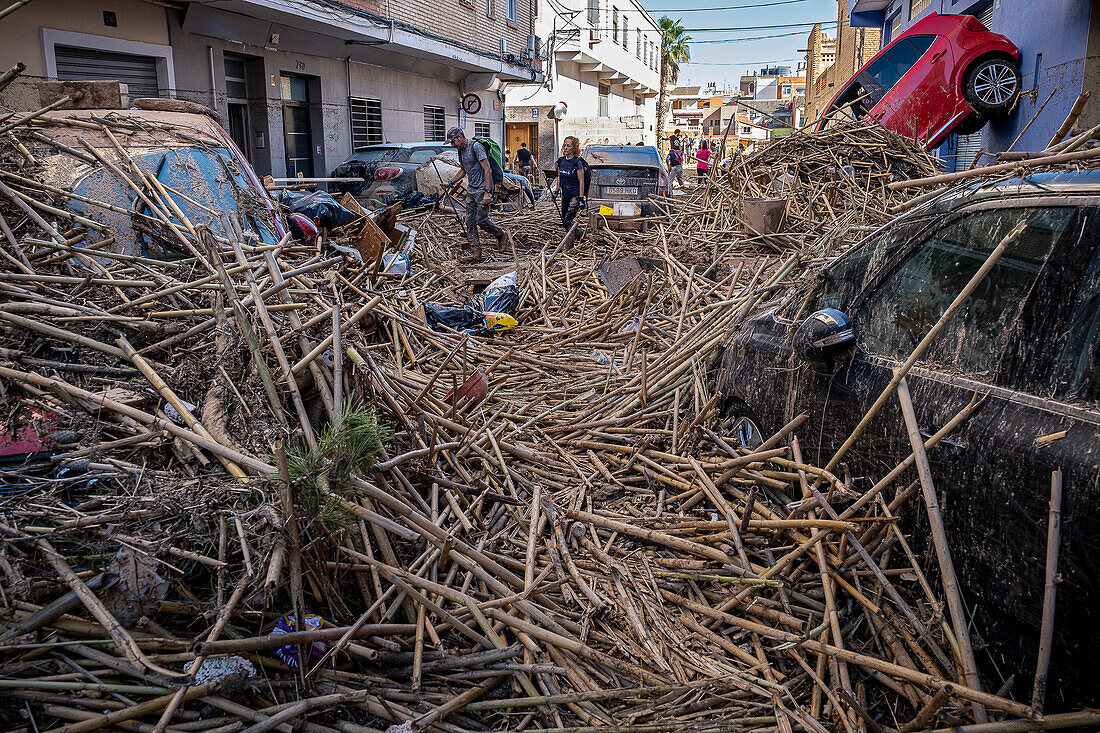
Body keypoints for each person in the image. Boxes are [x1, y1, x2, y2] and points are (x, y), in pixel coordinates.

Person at [441, 127, 511, 261]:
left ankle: (500, 234)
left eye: (453, 141)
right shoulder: (460, 151)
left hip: (482, 190)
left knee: (481, 220)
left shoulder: (476, 147)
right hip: (471, 190)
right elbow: (463, 170)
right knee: (470, 221)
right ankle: (476, 253)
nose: (452, 145)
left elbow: (487, 170)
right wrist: (450, 183)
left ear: (460, 137)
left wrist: (487, 192)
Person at [549, 135, 589, 231]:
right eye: (564, 145)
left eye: (569, 146)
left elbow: (581, 181)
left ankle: (578, 235)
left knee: (567, 219)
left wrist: (581, 198)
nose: (566, 148)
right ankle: (576, 236)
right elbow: (559, 177)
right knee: (564, 221)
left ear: (574, 148)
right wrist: (556, 191)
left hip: (574, 194)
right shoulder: (561, 161)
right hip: (565, 195)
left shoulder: (577, 162)